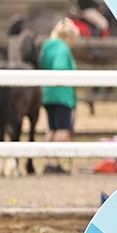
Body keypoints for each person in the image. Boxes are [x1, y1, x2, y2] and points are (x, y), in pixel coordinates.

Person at [39, 18, 79, 174]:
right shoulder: (63, 49)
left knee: (52, 128)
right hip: (63, 94)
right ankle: (54, 163)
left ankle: (50, 161)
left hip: (48, 93)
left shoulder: (47, 47)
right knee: (63, 128)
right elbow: (60, 67)